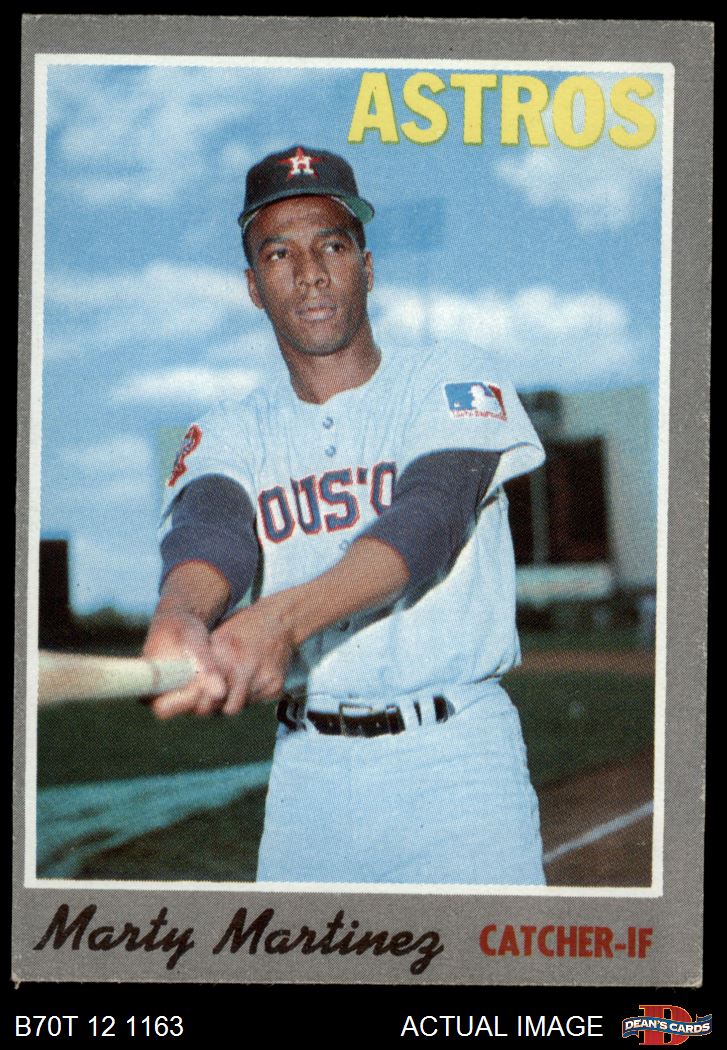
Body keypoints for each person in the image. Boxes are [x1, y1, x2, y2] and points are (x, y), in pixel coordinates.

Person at [143, 145, 546, 885]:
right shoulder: (231, 431)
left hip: (457, 759)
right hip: (309, 772)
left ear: (367, 265)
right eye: (279, 253)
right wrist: (181, 615)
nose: (310, 272)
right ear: (253, 286)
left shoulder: (448, 378)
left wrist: (281, 620)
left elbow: (427, 522)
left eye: (331, 245)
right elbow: (211, 534)